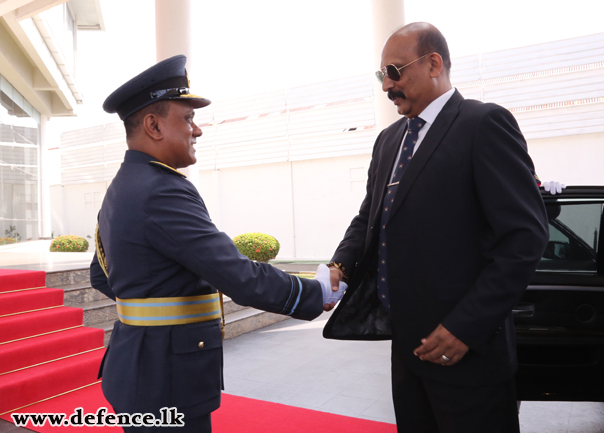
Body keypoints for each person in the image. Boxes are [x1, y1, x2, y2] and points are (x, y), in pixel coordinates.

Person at [90, 55, 343, 432]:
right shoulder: (161, 190)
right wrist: (316, 291)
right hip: (167, 379)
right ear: (153, 125)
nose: (198, 130)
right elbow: (237, 275)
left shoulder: (125, 185)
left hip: (139, 365)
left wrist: (149, 307)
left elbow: (101, 275)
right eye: (188, 118)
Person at [322, 23, 549, 433]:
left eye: (395, 70)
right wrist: (341, 264)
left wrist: (466, 328)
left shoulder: (483, 124)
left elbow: (524, 238)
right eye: (382, 75)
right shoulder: (388, 141)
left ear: (433, 64)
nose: (388, 85)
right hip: (407, 350)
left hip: (467, 354)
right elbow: (369, 217)